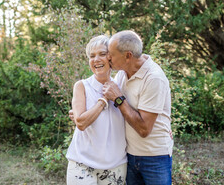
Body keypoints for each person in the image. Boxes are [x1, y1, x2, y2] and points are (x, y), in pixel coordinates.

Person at [102, 30, 174, 185]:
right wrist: (80, 112)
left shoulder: (154, 78)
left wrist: (119, 99)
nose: (108, 58)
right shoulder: (122, 73)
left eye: (111, 54)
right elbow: (108, 101)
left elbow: (144, 129)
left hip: (155, 157)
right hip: (129, 155)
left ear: (128, 56)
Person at [66, 35, 127, 185]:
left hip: (116, 165)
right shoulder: (81, 86)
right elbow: (80, 123)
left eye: (102, 54)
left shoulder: (122, 83)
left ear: (111, 57)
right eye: (92, 56)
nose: (96, 59)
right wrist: (104, 99)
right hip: (82, 163)